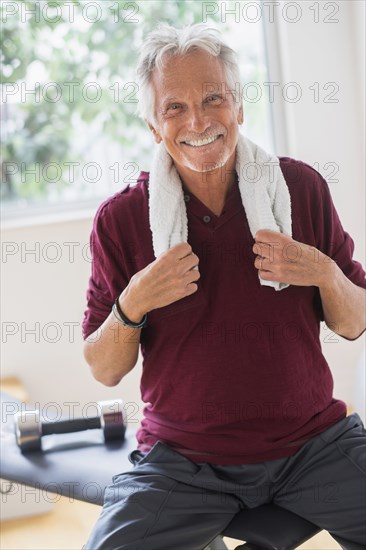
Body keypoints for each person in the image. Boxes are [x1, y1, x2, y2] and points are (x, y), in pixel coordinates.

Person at [82, 23, 366, 550]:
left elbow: (355, 323)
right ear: (152, 125)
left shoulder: (299, 189)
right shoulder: (121, 220)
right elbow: (104, 368)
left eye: (214, 98)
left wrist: (324, 271)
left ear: (238, 107)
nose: (198, 121)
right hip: (183, 460)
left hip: (314, 445)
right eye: (174, 108)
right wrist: (135, 300)